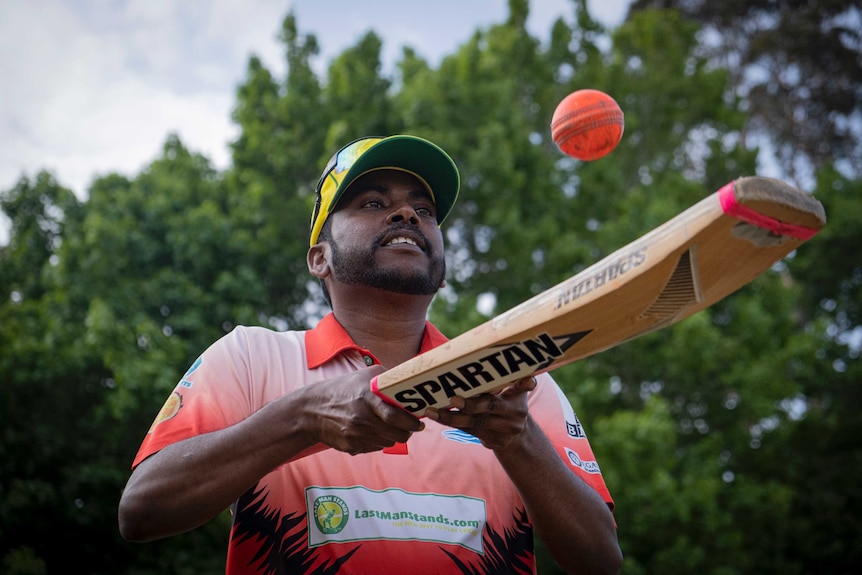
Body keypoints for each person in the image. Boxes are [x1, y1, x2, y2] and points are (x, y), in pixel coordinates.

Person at [118, 135, 623, 574]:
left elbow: (600, 560)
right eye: (373, 204)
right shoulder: (252, 357)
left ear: (441, 270)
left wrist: (517, 438)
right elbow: (142, 510)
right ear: (321, 257)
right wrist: (305, 416)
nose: (407, 214)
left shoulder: (513, 380)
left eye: (423, 210)